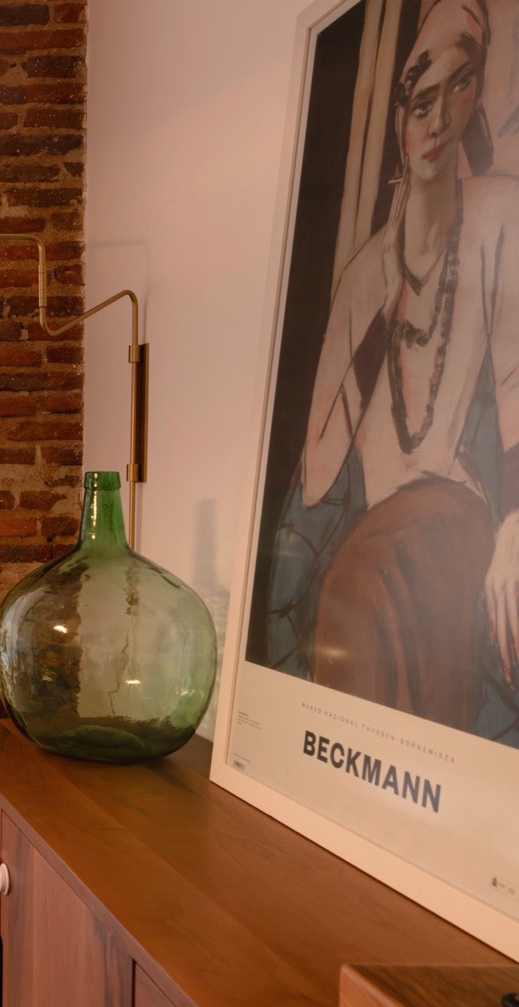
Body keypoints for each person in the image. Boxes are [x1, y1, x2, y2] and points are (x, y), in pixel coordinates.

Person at [296, 0, 519, 737]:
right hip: (377, 538)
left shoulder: (500, 217)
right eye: (421, 101)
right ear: (398, 117)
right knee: (349, 590)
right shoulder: (366, 274)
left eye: (460, 86)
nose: (438, 119)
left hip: (458, 516)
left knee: (366, 585)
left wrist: (516, 523)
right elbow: (317, 473)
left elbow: (517, 385)